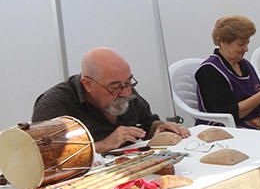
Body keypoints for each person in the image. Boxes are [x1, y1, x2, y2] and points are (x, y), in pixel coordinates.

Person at [32, 48, 190, 154]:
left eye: (129, 82)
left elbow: (148, 122)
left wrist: (161, 127)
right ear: (87, 84)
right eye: (114, 87)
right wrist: (103, 145)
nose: (126, 92)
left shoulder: (124, 88)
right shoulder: (54, 104)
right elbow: (45, 156)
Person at [195, 16, 260, 130]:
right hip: (222, 127)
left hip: (252, 120)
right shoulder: (209, 71)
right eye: (241, 44)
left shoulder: (244, 65)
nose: (246, 49)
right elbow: (228, 113)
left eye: (247, 43)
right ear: (224, 43)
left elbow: (255, 94)